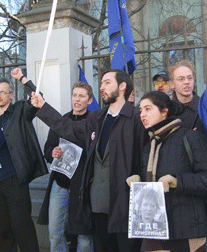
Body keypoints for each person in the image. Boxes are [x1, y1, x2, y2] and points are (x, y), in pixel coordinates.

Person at [31, 69, 148, 252]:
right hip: (98, 204)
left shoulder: (136, 117)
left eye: (107, 82)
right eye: (101, 83)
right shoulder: (98, 117)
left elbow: (145, 157)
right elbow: (68, 127)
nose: (102, 87)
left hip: (125, 203)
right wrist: (43, 106)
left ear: (123, 86)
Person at [135, 91, 207, 251]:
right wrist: (136, 181)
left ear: (164, 111)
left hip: (186, 230)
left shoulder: (189, 138)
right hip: (154, 230)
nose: (142, 115)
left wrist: (177, 181)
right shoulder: (149, 147)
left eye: (147, 109)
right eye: (140, 111)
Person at [0, 69, 48, 252]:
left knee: (22, 227)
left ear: (11, 95)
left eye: (3, 92)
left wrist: (22, 78)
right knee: (2, 232)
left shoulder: (19, 112)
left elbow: (37, 97)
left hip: (14, 180)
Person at [168, 59, 207, 252]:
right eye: (180, 79)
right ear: (172, 84)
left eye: (190, 78)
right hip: (180, 189)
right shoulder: (166, 113)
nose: (186, 82)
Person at [38, 81, 94, 252]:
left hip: (84, 186)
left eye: (81, 96)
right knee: (55, 232)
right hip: (60, 183)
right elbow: (47, 148)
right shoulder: (61, 120)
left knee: (84, 236)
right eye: (74, 95)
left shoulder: (93, 122)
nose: (77, 99)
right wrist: (52, 152)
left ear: (89, 100)